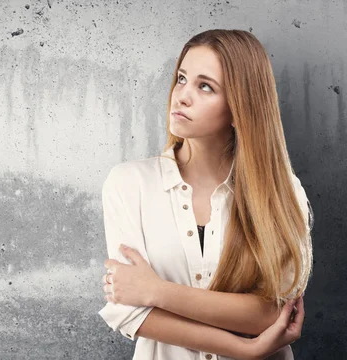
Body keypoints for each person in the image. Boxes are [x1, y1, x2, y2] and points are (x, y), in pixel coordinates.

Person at [98, 29, 314, 360]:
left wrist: (156, 291)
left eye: (205, 86)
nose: (181, 95)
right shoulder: (129, 183)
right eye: (182, 78)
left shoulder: (282, 192)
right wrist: (245, 348)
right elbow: (128, 310)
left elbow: (273, 314)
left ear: (241, 105)